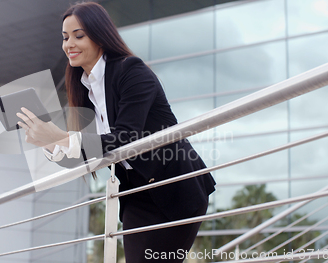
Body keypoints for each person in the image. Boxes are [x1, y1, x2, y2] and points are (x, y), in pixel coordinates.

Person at [16, 2, 216, 262]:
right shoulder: (83, 87)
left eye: (79, 36)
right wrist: (49, 143)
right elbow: (90, 152)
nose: (69, 45)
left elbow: (127, 138)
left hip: (176, 190)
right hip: (136, 196)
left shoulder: (131, 71)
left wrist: (58, 136)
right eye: (65, 38)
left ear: (100, 35)